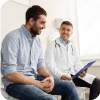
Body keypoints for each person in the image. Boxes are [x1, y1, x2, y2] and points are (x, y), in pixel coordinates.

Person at [0, 6, 80, 100]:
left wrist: (50, 77)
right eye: (42, 23)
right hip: (15, 84)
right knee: (50, 99)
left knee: (69, 86)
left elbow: (40, 65)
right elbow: (10, 73)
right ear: (31, 21)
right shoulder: (13, 38)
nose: (45, 27)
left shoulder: (37, 41)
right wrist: (38, 84)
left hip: (35, 78)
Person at [45, 21, 100, 100]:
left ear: (71, 32)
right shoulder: (51, 45)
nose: (65, 32)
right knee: (68, 86)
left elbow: (77, 63)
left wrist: (82, 71)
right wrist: (60, 75)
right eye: (63, 29)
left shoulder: (73, 47)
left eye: (68, 30)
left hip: (73, 75)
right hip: (59, 76)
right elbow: (49, 65)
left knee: (97, 82)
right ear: (59, 30)